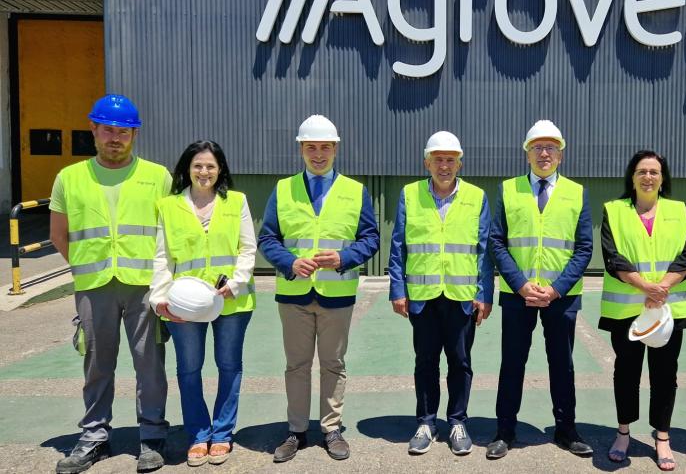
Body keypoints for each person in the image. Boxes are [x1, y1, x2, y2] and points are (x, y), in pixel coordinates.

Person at [49, 94, 171, 473]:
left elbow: (169, 234)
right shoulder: (69, 178)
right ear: (94, 130)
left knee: (149, 363)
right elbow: (59, 235)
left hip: (144, 287)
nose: (115, 138)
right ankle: (94, 436)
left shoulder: (158, 176)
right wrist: (89, 268)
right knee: (97, 364)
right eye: (108, 131)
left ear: (134, 134)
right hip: (94, 286)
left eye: (123, 132)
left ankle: (151, 437)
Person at [258, 114, 380, 463]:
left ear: (336, 148)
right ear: (301, 149)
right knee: (296, 365)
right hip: (294, 292)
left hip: (337, 293)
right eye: (311, 147)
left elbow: (370, 239)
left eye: (325, 146)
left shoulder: (356, 191)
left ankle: (331, 428)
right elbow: (269, 237)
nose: (318, 153)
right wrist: (289, 262)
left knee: (333, 363)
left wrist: (343, 257)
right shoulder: (283, 189)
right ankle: (296, 430)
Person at [486, 120, 594, 460]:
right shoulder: (508, 189)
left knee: (562, 364)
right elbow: (496, 241)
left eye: (550, 148)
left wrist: (556, 289)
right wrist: (519, 284)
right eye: (537, 147)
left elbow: (584, 248)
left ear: (560, 155)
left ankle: (566, 430)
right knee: (512, 364)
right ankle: (504, 431)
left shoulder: (576, 193)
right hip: (518, 296)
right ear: (527, 153)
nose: (544, 153)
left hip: (560, 298)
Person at [148, 141, 256, 466]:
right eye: (197, 166)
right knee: (189, 369)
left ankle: (222, 434)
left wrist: (235, 283)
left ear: (220, 169)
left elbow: (248, 249)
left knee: (229, 366)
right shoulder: (168, 206)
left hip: (230, 301)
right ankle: (198, 434)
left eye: (210, 166)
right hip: (185, 304)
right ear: (187, 169)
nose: (204, 172)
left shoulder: (237, 202)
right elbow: (162, 257)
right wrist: (159, 298)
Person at [388, 131, 494, 456]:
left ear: (459, 163)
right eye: (438, 159)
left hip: (462, 296)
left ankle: (458, 421)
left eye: (450, 160)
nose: (444, 165)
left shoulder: (477, 197)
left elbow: (484, 251)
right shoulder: (409, 194)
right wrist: (397, 289)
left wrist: (485, 293)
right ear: (427, 162)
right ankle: (426, 422)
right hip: (423, 296)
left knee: (460, 362)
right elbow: (398, 247)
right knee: (426, 361)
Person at [599, 150, 686, 471]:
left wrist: (662, 287)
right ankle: (624, 433)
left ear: (663, 177)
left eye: (654, 171)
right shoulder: (613, 211)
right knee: (626, 374)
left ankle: (663, 437)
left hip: (669, 310)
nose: (648, 177)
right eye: (642, 171)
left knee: (665, 375)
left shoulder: (679, 210)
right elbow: (613, 258)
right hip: (627, 310)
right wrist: (647, 288)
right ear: (632, 176)